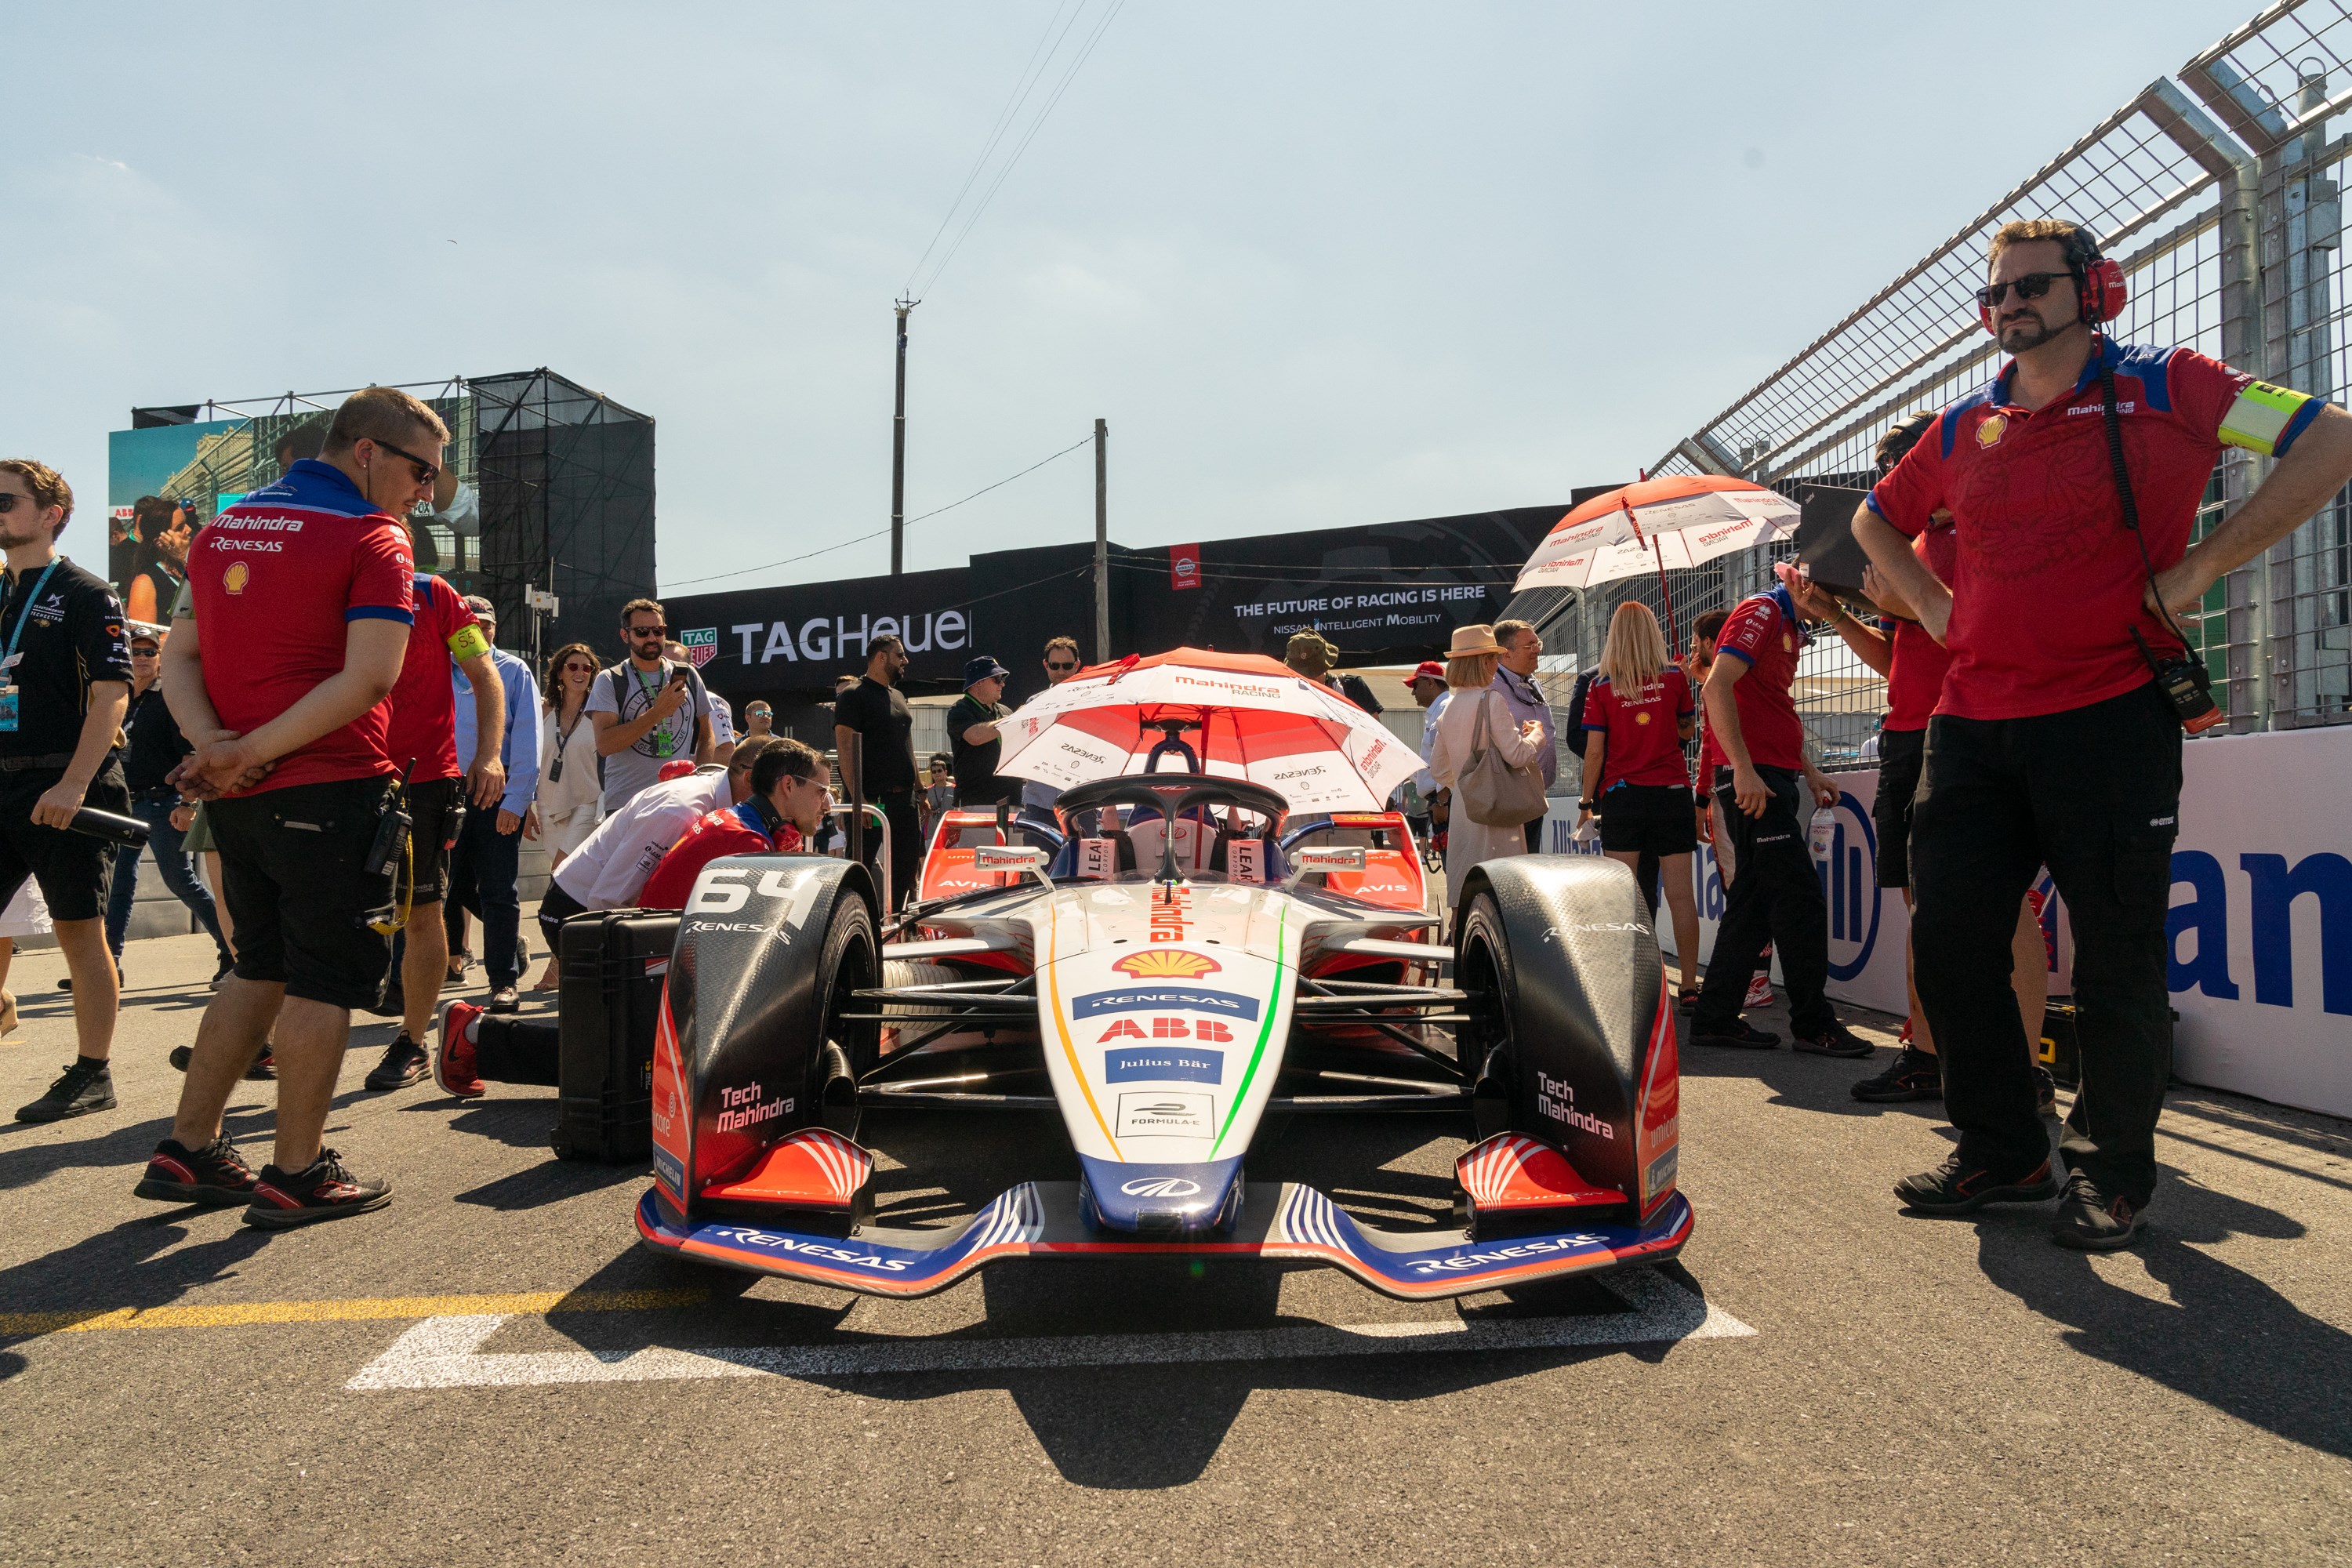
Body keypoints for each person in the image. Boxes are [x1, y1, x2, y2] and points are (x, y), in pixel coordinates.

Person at [1857, 218, 2352, 1248]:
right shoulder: (1960, 428)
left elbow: (2332, 437)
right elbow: (1871, 522)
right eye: (1995, 298)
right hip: (1973, 727)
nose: (2009, 310)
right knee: (1948, 942)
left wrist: (2207, 565)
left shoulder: (2175, 385)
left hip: (2111, 720)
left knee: (2119, 960)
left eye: (2031, 288)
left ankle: (2112, 1170)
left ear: (2096, 288)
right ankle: (2004, 1149)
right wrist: (1931, 602)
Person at [138, 386, 438, 1225]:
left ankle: (188, 1146)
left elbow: (178, 661)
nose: (425, 491)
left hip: (241, 792)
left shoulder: (223, 528)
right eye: (421, 471)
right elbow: (371, 676)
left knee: (257, 964)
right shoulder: (375, 535)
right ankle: (297, 1169)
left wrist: (217, 751)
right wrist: (242, 751)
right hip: (330, 786)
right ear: (369, 451)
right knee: (322, 978)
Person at [1794, 419, 2056, 1110]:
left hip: (1969, 731)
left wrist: (1899, 601)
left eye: (1901, 466)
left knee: (2005, 909)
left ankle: (2026, 1068)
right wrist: (1839, 612)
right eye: (1886, 472)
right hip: (1908, 734)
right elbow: (1895, 660)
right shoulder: (1908, 544)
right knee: (1925, 908)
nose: (1893, 483)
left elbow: (1990, 626)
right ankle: (1928, 1055)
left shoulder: (1984, 530)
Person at [434, 738, 826, 1098]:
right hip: (583, 911)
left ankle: (477, 1034)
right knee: (624, 1063)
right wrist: (631, 980)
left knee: (638, 1052)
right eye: (821, 791)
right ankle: (473, 1035)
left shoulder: (729, 807)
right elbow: (609, 896)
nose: (826, 802)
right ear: (769, 780)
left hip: (628, 918)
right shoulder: (682, 810)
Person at [1689, 565, 1869, 1058]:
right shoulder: (1763, 611)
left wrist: (1808, 771)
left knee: (1751, 905)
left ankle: (1714, 1018)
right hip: (1756, 783)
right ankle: (1813, 1025)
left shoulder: (1786, 623)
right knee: (1801, 900)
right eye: (1828, 598)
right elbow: (1714, 688)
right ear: (1801, 586)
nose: (1833, 610)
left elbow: (1769, 706)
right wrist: (1743, 773)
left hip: (1772, 777)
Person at [0, 459, 133, 1123]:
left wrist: (76, 785)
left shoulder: (86, 592)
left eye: (5, 500)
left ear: (50, 513)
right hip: (3, 781)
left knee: (81, 933)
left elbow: (112, 695)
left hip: (68, 782)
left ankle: (92, 1073)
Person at [362, 571, 503, 1091]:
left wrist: (489, 755)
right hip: (343, 772)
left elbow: (483, 670)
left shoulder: (433, 593)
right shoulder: (327, 583)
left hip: (424, 780)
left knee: (424, 913)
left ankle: (411, 1041)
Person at [532, 735, 784, 954]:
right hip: (575, 911)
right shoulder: (680, 812)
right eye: (782, 789)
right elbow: (607, 899)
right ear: (750, 779)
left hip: (596, 907)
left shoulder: (716, 796)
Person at [1577, 603, 1701, 1004]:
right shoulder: (1675, 678)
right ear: (1653, 633)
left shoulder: (1601, 687)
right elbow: (1687, 732)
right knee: (1681, 895)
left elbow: (1594, 752)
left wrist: (1585, 801)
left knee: (1623, 894)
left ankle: (1630, 982)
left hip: (1622, 796)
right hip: (1672, 794)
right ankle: (1688, 987)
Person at [103, 620, 234, 989]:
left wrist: (186, 803)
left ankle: (229, 953)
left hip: (163, 804)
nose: (142, 658)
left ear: (160, 659)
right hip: (124, 804)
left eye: (150, 652)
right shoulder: (119, 697)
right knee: (118, 885)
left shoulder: (170, 698)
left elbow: (189, 752)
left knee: (181, 881)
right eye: (136, 651)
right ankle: (110, 964)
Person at [443, 596, 540, 1015]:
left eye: (487, 625)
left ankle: (503, 981)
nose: (480, 632)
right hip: (443, 796)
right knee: (445, 892)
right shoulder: (433, 666)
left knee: (500, 891)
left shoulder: (514, 670)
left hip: (495, 797)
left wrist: (516, 801)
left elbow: (528, 741)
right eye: (471, 625)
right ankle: (509, 937)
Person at [1684, 608, 1775, 1013]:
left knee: (1739, 883)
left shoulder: (1717, 686)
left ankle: (1753, 980)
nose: (1690, 651)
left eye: (1693, 643)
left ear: (1708, 643)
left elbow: (1709, 750)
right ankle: (1757, 977)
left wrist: (1702, 799)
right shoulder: (1752, 673)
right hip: (1767, 778)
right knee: (1759, 880)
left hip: (1733, 788)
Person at [1425, 625, 1545, 909]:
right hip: (1498, 815)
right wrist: (1537, 734)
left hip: (1464, 813)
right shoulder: (1491, 700)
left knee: (1463, 900)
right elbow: (1517, 755)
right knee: (1502, 900)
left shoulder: (1448, 709)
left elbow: (1439, 771)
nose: (1497, 662)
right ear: (1484, 661)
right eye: (1493, 656)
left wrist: (1468, 785)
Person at [590, 598, 713, 812]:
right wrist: (657, 713)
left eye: (658, 630)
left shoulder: (688, 675)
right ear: (625, 635)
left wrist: (698, 780)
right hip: (627, 805)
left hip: (678, 802)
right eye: (642, 632)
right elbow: (605, 745)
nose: (652, 638)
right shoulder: (610, 679)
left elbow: (707, 736)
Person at [831, 633, 920, 908]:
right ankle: (852, 923)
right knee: (859, 867)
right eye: (899, 655)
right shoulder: (852, 695)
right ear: (881, 657)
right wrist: (860, 799)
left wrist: (921, 789)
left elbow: (908, 745)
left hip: (905, 801)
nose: (905, 660)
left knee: (906, 867)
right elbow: (845, 750)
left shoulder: (899, 696)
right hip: (871, 802)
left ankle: (896, 926)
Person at [1490, 619, 1557, 854]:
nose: (1537, 650)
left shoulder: (1530, 681)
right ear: (1505, 654)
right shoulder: (1492, 686)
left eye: (1537, 643)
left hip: (1534, 796)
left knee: (1530, 866)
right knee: (1514, 870)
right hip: (1510, 799)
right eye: (1530, 646)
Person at [1019, 637, 1084, 822]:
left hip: (1081, 800)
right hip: (1039, 801)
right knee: (1038, 852)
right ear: (1046, 665)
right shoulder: (1033, 704)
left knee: (1080, 851)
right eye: (1055, 666)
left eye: (1067, 665)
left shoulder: (1093, 703)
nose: (1061, 671)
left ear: (1077, 665)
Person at [949, 655, 1012, 807]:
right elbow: (975, 736)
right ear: (978, 683)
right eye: (997, 679)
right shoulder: (959, 710)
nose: (1002, 684)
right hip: (977, 801)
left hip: (1012, 798)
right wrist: (1014, 720)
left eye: (1002, 679)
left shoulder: (1006, 711)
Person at [1283, 630, 1384, 713]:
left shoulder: (1352, 687)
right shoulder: (1286, 694)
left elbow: (1377, 733)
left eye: (1313, 672)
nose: (1307, 677)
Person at [923, 754, 954, 838]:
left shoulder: (955, 789)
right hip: (932, 835)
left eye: (939, 771)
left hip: (951, 835)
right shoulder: (927, 791)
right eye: (934, 772)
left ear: (945, 772)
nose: (937, 774)